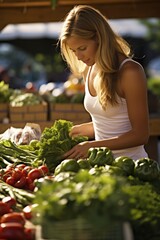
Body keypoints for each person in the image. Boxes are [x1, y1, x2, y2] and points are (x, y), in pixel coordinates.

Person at [60, 5, 149, 160]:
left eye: (82, 48)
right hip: (101, 166)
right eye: (74, 51)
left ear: (99, 38)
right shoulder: (88, 69)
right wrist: (79, 130)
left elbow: (140, 135)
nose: (79, 56)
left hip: (132, 168)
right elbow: (111, 125)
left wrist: (92, 145)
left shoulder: (130, 72)